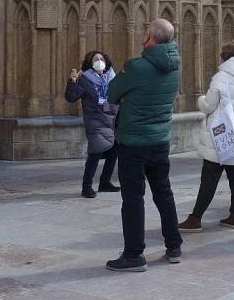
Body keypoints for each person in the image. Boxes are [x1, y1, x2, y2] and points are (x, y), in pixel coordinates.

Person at [105, 19, 183, 272]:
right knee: (164, 193)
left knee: (133, 199)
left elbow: (112, 92)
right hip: (160, 140)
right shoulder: (175, 66)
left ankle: (133, 255)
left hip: (134, 142)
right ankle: (174, 246)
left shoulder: (138, 67)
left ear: (150, 35)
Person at [178, 42, 234, 231]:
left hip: (221, 134)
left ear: (224, 57)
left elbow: (209, 106)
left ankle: (195, 218)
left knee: (210, 177)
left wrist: (200, 99)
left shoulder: (221, 77)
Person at [65, 50, 119, 198]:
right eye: (96, 59)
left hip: (111, 119)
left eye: (102, 58)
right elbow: (71, 97)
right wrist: (73, 82)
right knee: (95, 151)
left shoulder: (112, 77)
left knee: (114, 150)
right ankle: (86, 186)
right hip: (95, 120)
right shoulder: (85, 79)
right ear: (90, 62)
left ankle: (105, 182)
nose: (99, 61)